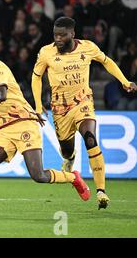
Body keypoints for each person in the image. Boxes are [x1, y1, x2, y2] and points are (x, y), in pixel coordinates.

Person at [0, 37, 90, 218]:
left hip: (23, 124)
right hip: (5, 127)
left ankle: (73, 177)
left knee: (38, 175)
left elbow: (1, 94)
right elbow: (3, 99)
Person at [31, 17, 137, 209]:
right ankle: (70, 159)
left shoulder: (87, 47)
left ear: (72, 34)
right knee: (66, 149)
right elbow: (36, 77)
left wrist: (124, 81)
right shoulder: (46, 52)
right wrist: (38, 105)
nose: (58, 39)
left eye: (62, 35)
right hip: (60, 109)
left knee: (90, 138)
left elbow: (107, 62)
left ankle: (101, 191)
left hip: (82, 103)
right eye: (56, 35)